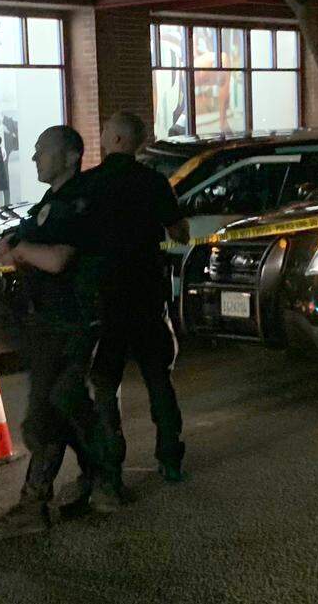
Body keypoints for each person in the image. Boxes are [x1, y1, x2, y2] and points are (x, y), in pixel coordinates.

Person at [0, 125, 118, 537]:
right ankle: (102, 478)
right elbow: (20, 245)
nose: (34, 158)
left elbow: (57, 259)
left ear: (71, 156)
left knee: (45, 414)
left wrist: (21, 251)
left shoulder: (80, 203)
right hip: (46, 322)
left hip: (70, 323)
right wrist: (18, 246)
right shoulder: (52, 201)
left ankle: (36, 504)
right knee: (66, 406)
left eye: (43, 151)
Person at [84, 111, 191, 494]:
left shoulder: (90, 184)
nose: (100, 136)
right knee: (158, 378)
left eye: (104, 132)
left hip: (105, 299)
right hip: (146, 295)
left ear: (116, 139)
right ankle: (170, 457)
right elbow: (180, 233)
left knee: (104, 382)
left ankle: (111, 464)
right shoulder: (154, 182)